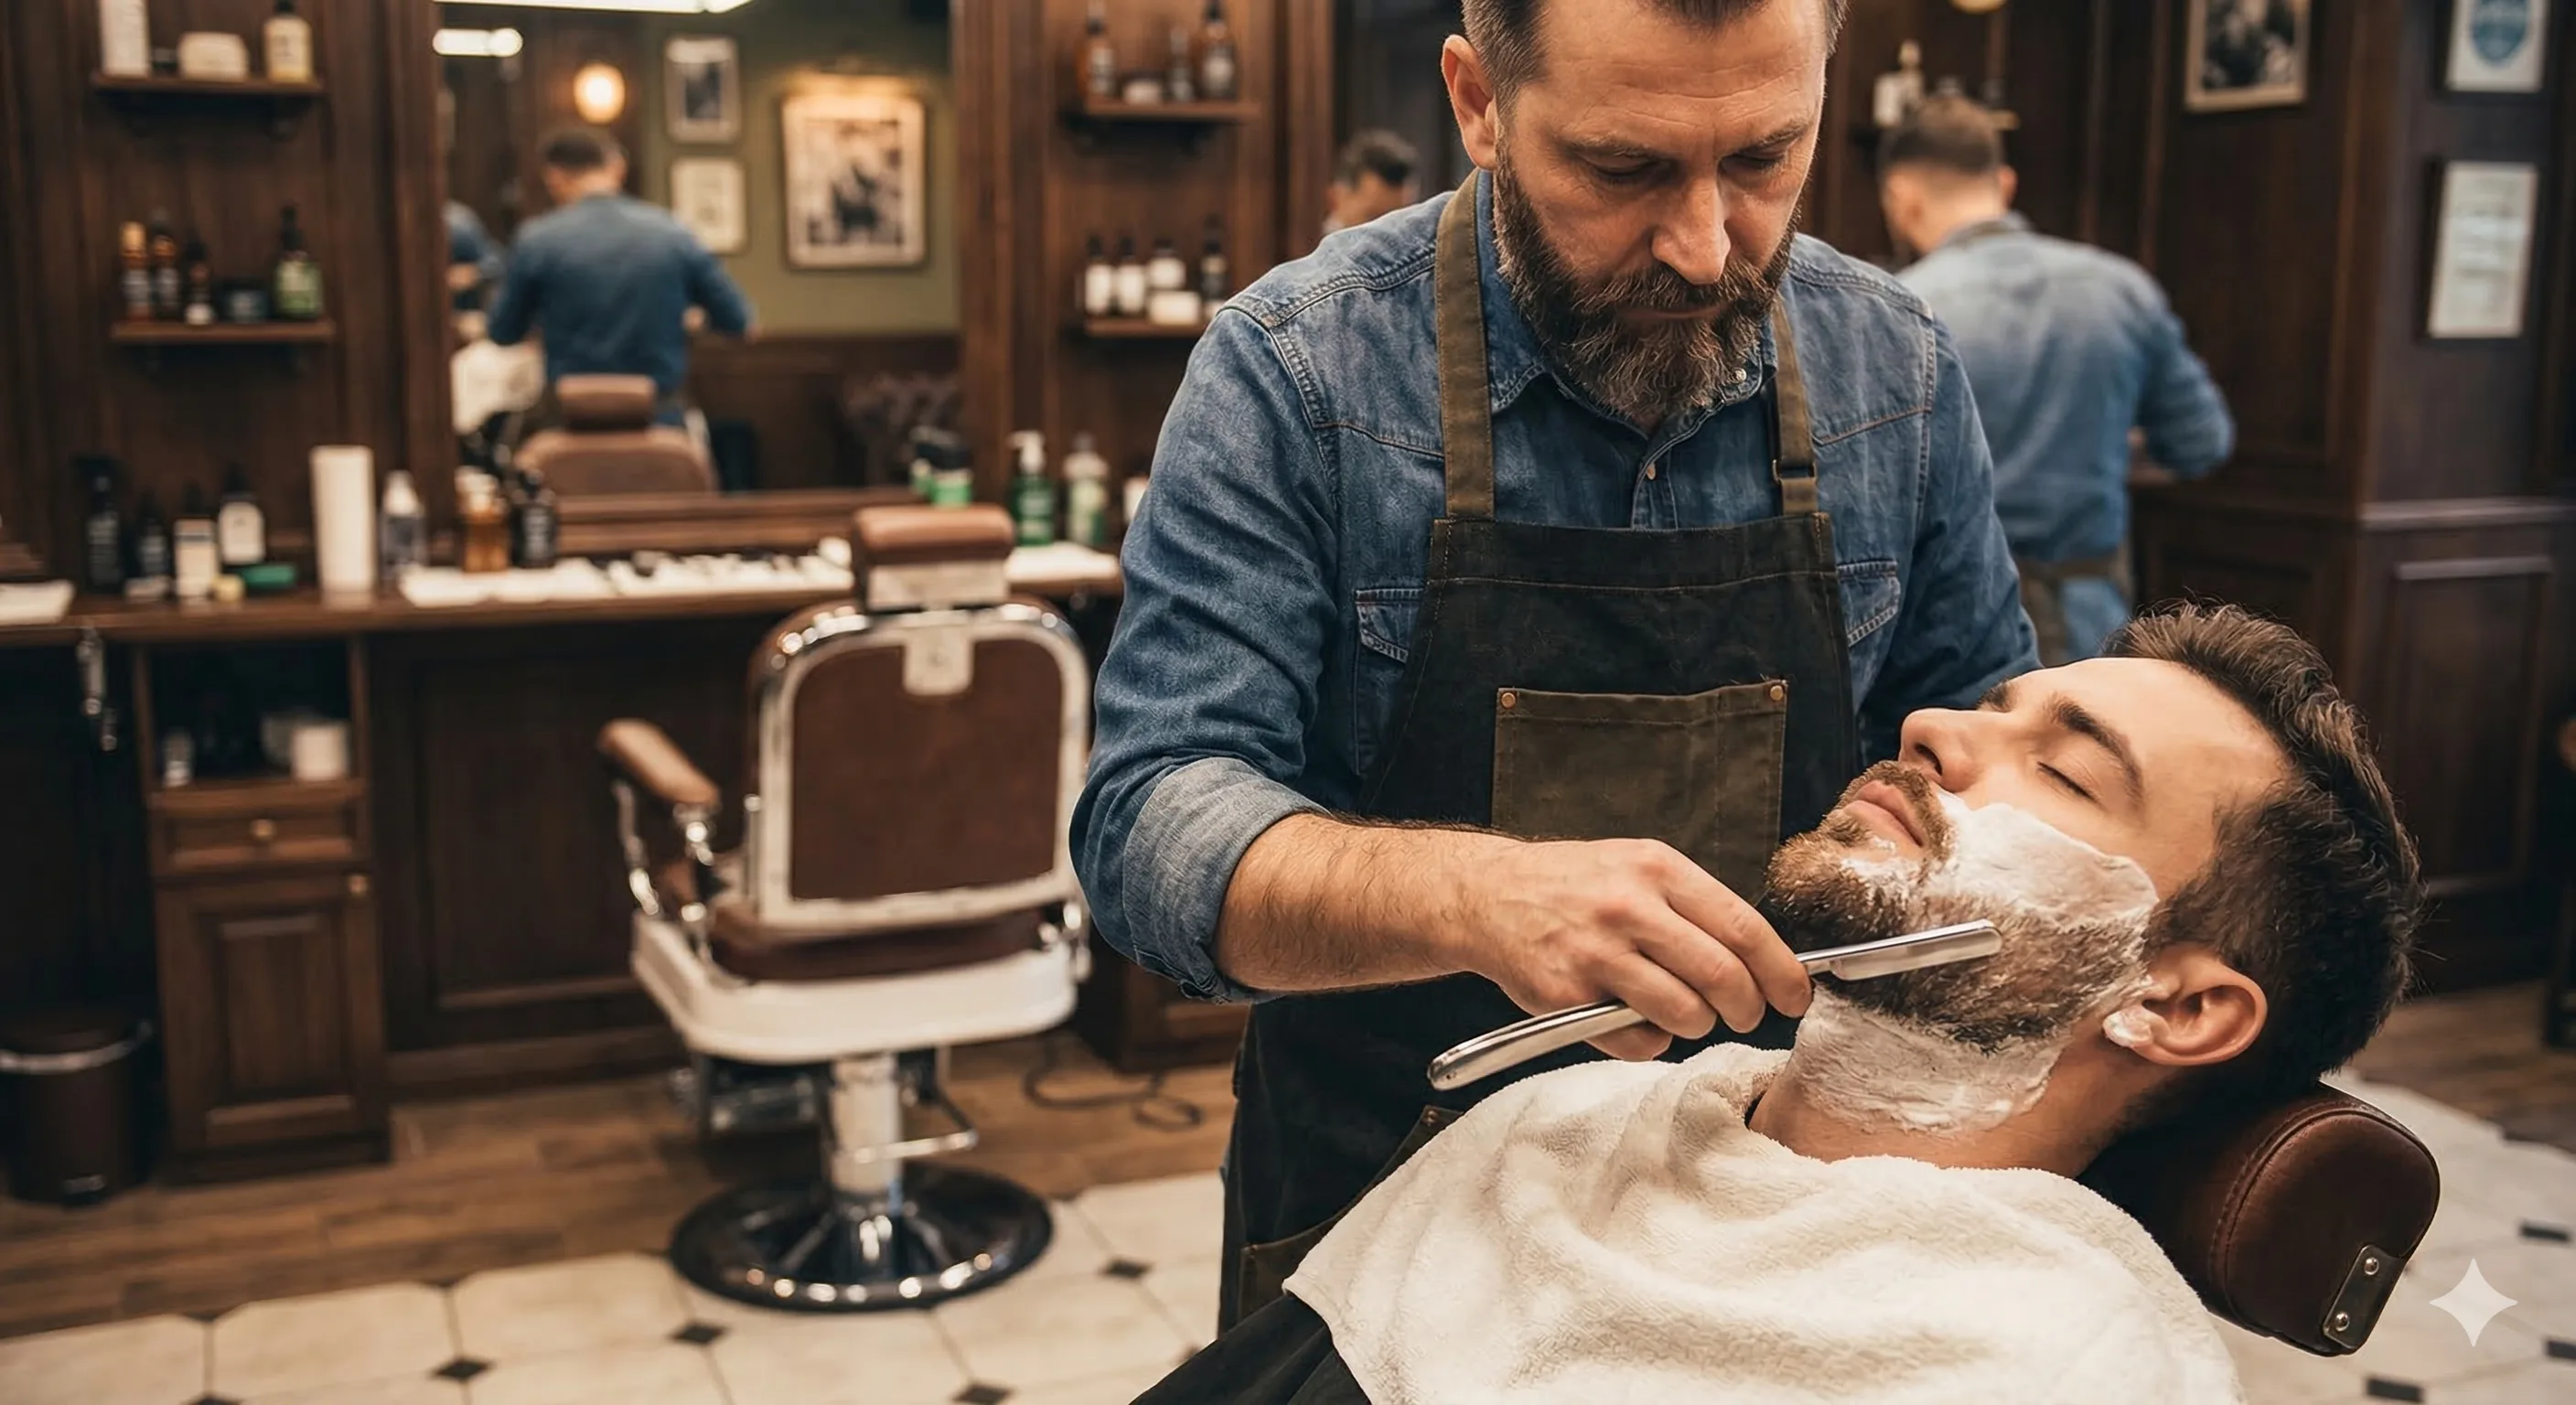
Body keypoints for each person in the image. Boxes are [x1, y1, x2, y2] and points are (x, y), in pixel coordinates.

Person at [1073, 0, 2039, 1330]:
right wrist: (1476, 892)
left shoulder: (1900, 369)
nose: (1705, 250)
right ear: (1477, 102)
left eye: (1765, 160)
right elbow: (1148, 826)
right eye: (1624, 168)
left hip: (1780, 1205)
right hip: (1386, 1204)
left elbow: (1986, 790)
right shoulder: (1297, 372)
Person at [1134, 603, 2421, 1403]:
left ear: (2180, 1007)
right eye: (1990, 707)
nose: (1927, 726)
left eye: (2067, 772)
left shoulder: (2058, 1366)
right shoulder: (1564, 1123)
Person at [1882, 96, 2234, 664]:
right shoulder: (2122, 289)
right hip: (2092, 618)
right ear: (2005, 182)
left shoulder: (1901, 307)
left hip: (1947, 626)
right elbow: (2202, 444)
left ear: (1902, 198)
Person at [486, 127, 756, 427]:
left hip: (573, 425)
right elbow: (737, 321)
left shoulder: (537, 240)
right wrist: (692, 319)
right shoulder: (673, 233)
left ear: (554, 177)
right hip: (659, 420)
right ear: (617, 167)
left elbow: (502, 332)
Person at [1323, 129, 1422, 235]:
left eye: (1400, 221)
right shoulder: (1308, 246)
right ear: (1336, 198)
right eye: (1374, 218)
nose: (1389, 234)